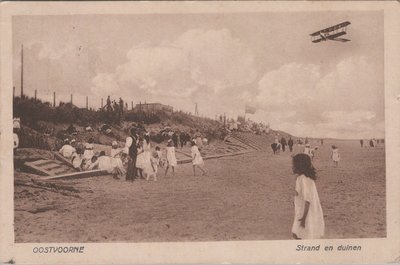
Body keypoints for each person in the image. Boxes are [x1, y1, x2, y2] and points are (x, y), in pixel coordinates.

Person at [291, 153, 324, 239]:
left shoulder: (303, 179)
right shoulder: (303, 178)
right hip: (302, 211)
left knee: (299, 235)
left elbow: (307, 200)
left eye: (293, 165)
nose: (292, 167)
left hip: (305, 213)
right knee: (299, 234)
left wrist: (303, 219)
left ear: (299, 166)